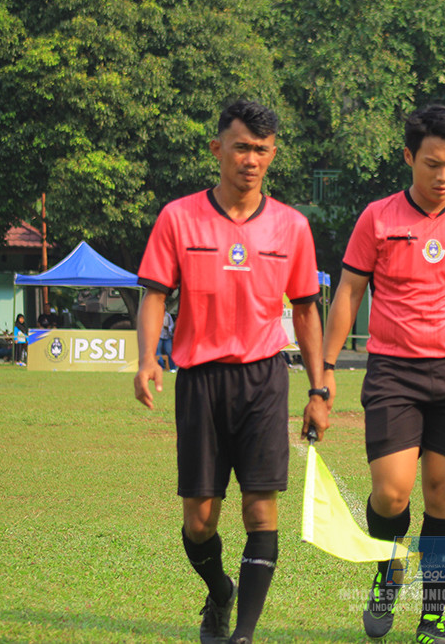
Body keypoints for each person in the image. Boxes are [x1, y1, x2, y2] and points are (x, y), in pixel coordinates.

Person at [133, 99, 329, 644]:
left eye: (262, 150)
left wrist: (319, 387)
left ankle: (241, 633)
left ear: (273, 155)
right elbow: (154, 294)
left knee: (260, 509)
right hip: (200, 380)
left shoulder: (292, 226)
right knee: (200, 519)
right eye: (241, 147)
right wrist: (148, 358)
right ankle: (220, 592)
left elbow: (308, 310)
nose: (251, 159)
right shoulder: (179, 217)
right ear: (217, 148)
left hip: (265, 378)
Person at [322, 104, 445, 644]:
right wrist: (327, 368)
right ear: (409, 157)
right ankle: (388, 568)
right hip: (392, 372)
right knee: (391, 496)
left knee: (443, 496)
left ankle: (433, 617)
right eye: (432, 164)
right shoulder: (378, 218)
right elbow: (349, 293)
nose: (443, 176)